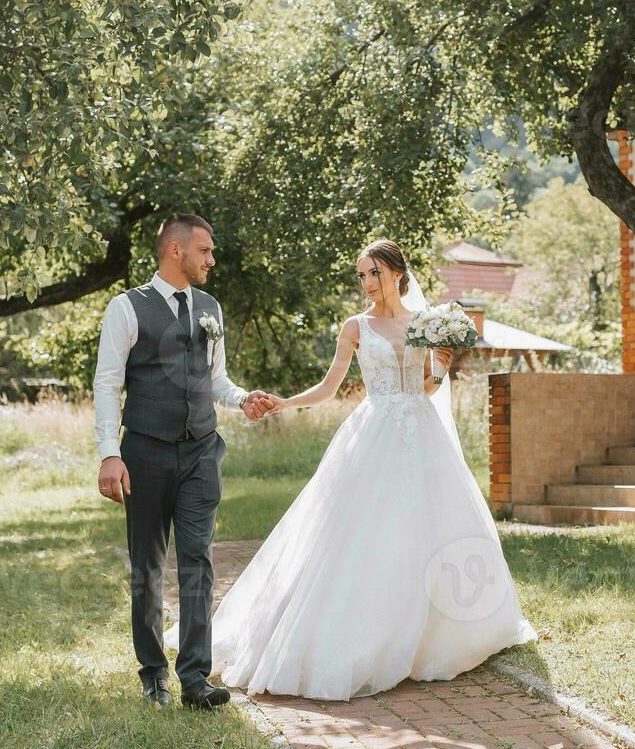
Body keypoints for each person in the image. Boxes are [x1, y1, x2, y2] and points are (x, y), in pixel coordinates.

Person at [166, 238, 538, 700]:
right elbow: (329, 386)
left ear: (398, 274)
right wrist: (285, 402)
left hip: (421, 433)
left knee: (431, 527)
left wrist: (441, 368)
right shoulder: (356, 326)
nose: (366, 283)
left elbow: (425, 388)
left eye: (374, 273)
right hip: (373, 431)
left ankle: (432, 636)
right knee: (361, 530)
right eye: (361, 274)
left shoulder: (426, 324)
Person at [92, 213, 275, 709]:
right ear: (175, 250)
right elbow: (108, 384)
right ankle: (153, 674)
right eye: (205, 251)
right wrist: (110, 454)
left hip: (200, 451)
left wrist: (242, 399)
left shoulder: (210, 307)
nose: (212, 260)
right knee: (148, 564)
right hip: (145, 451)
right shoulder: (127, 308)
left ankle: (195, 677)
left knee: (198, 560)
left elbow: (217, 379)